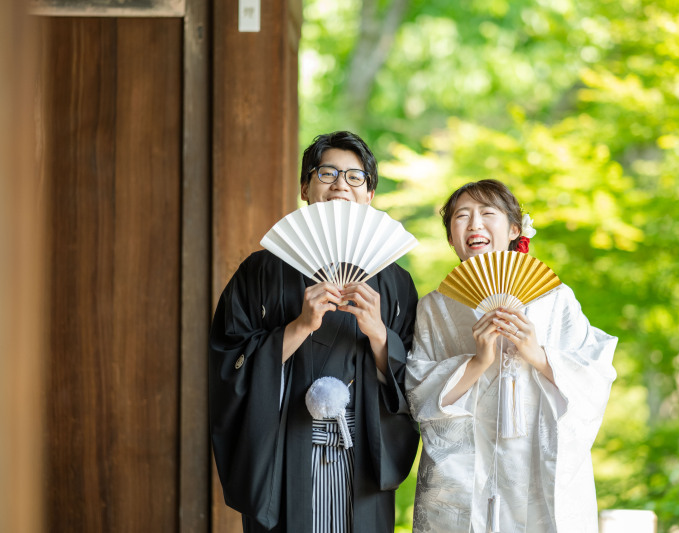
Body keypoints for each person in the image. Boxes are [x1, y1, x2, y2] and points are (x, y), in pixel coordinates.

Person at [209, 131, 420, 533]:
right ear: (306, 187)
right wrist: (299, 326)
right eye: (327, 173)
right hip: (284, 452)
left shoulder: (395, 282)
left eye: (355, 177)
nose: (341, 184)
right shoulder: (260, 272)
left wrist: (379, 335)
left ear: (370, 195)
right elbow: (227, 362)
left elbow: (418, 378)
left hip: (363, 454)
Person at [406, 179, 617, 532]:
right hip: (465, 471)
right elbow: (418, 394)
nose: (475, 224)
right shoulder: (435, 307)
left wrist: (539, 355)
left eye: (488, 213)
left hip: (534, 462)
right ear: (450, 238)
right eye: (462, 216)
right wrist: (477, 362)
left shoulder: (555, 298)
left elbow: (594, 377)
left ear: (514, 229)